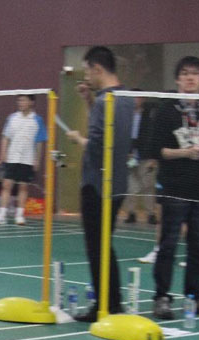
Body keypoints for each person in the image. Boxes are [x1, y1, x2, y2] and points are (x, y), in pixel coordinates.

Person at [65, 46, 134, 322]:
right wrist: (87, 101)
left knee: (97, 247)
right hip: (117, 183)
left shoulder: (106, 101)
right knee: (105, 244)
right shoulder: (125, 98)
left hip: (97, 184)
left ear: (98, 69)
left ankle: (104, 307)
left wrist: (77, 139)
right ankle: (112, 303)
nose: (86, 77)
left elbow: (97, 144)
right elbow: (108, 131)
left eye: (87, 71)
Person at [150, 56, 199, 319]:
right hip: (174, 186)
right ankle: (162, 298)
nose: (190, 78)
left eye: (195, 73)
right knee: (168, 244)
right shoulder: (166, 109)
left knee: (198, 247)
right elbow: (157, 150)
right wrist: (185, 153)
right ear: (177, 79)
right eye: (185, 73)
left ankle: (194, 297)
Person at [0, 94, 47, 226]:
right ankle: (1, 214)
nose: (20, 103)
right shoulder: (12, 118)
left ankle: (19, 215)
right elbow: (5, 137)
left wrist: (37, 159)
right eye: (19, 100)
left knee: (23, 187)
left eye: (23, 100)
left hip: (28, 158)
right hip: (12, 156)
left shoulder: (37, 120)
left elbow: (40, 142)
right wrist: (2, 154)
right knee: (6, 185)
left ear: (31, 102)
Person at [124, 90, 159, 225]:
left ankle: (151, 213)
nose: (135, 100)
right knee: (130, 185)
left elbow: (153, 135)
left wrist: (153, 157)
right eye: (132, 98)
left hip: (146, 155)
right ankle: (131, 212)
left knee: (148, 185)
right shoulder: (126, 115)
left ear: (143, 99)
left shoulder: (150, 115)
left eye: (138, 97)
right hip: (130, 155)